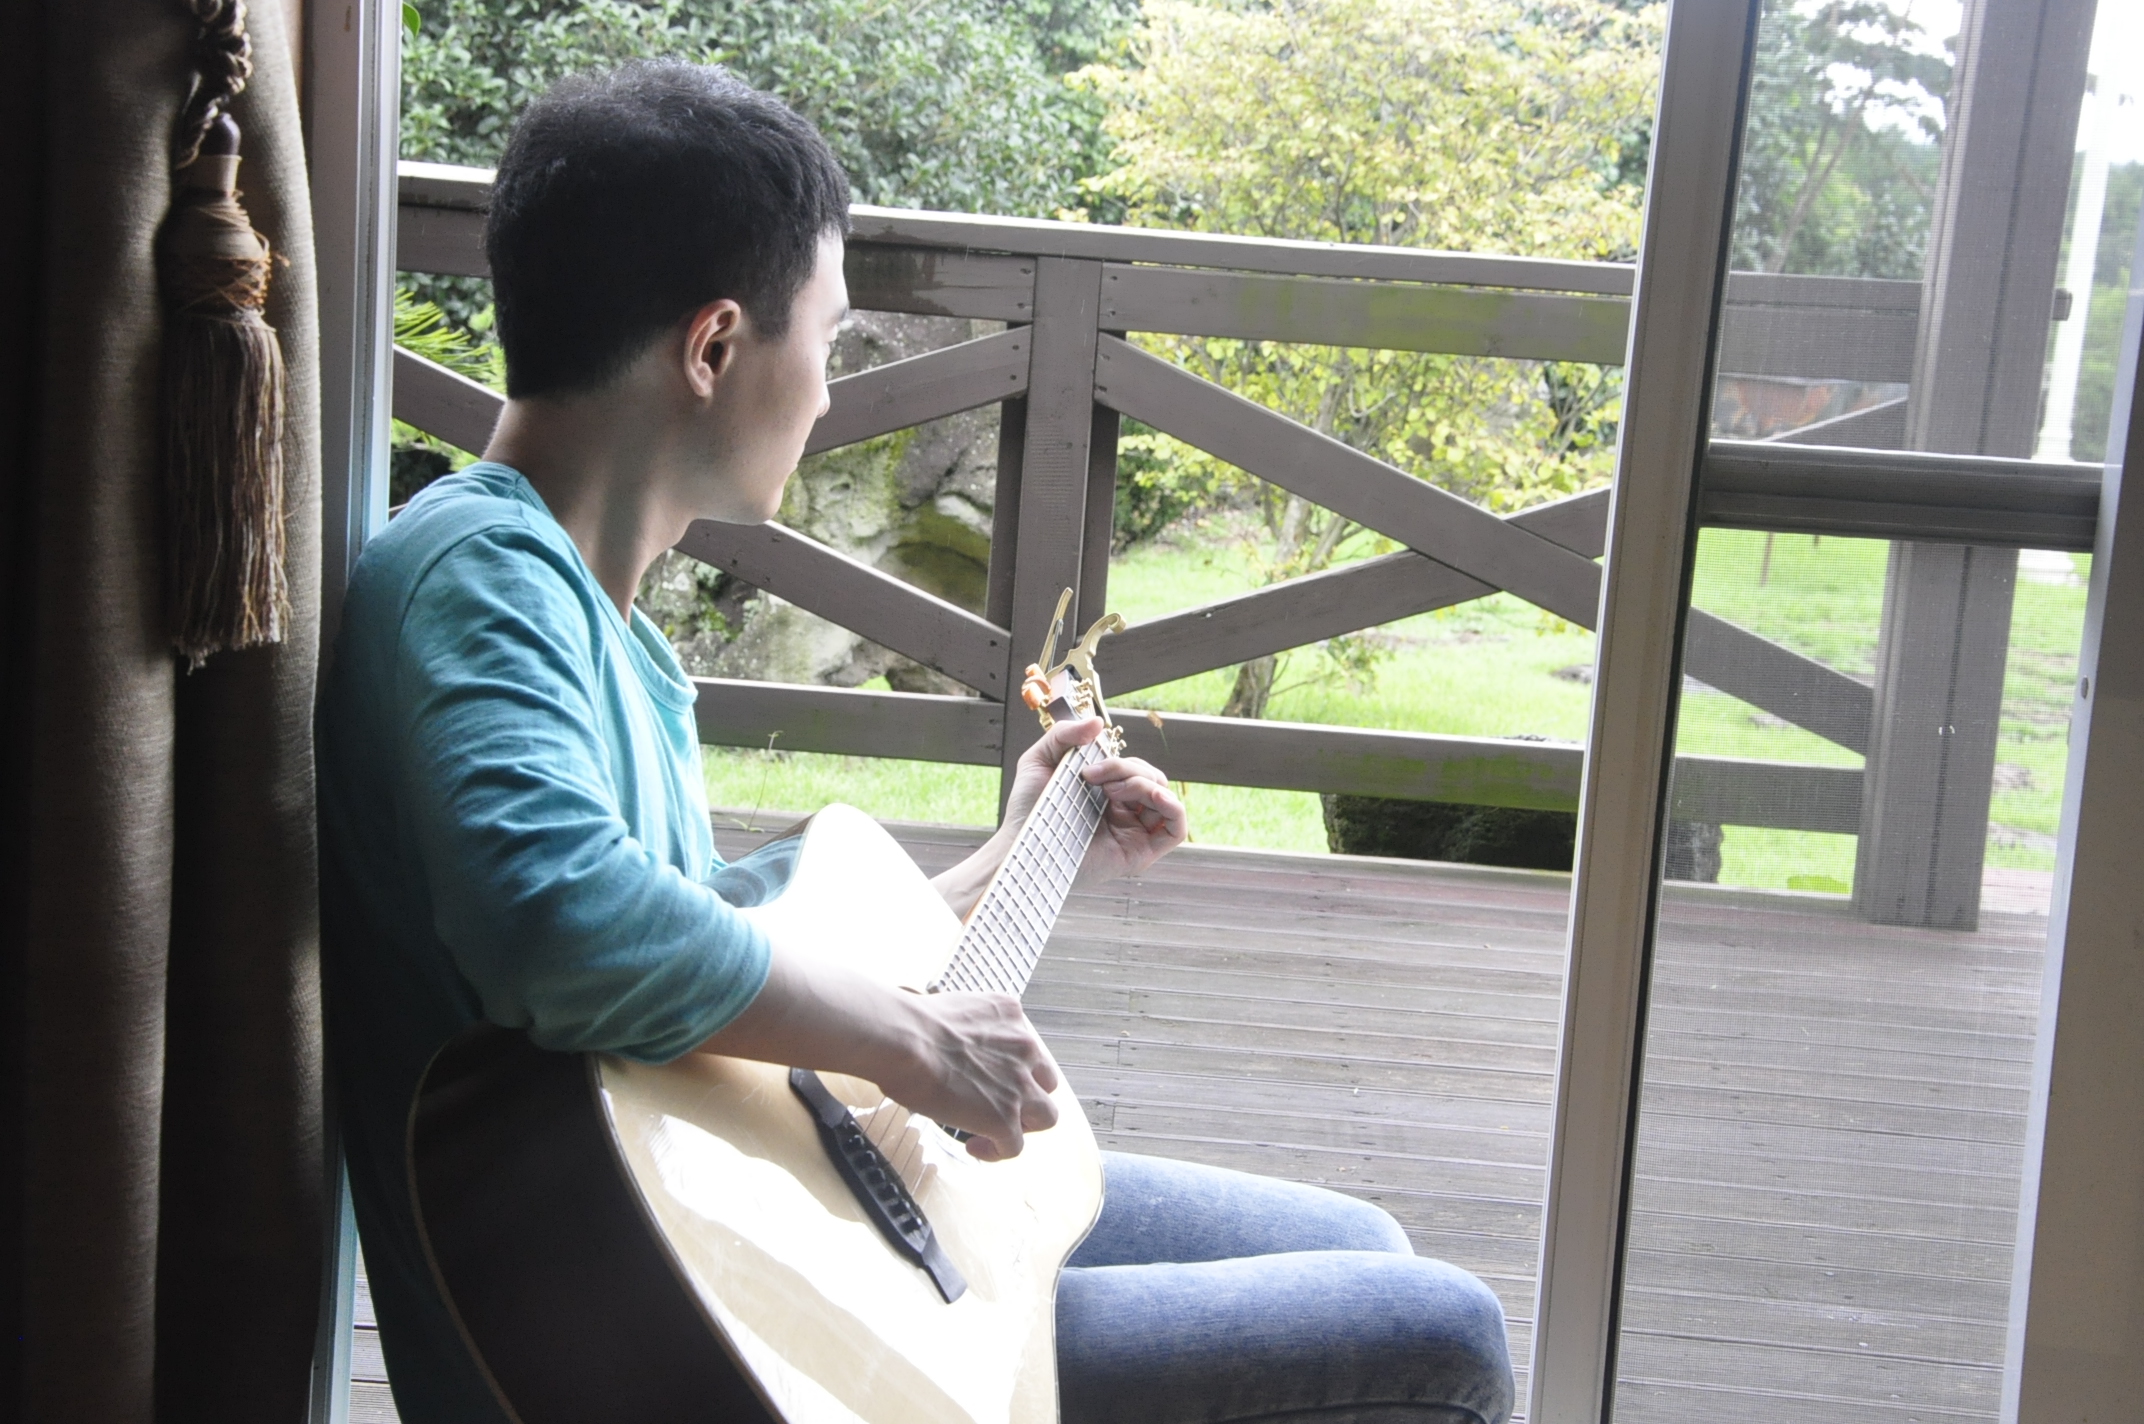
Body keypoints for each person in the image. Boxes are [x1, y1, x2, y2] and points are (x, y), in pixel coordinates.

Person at [318, 59, 1513, 1424]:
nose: (829, 395)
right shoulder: (478, 574)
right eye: (825, 340)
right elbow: (560, 925)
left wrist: (1014, 856)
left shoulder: (592, 622)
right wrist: (914, 1044)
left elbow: (699, 972)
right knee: (1443, 1341)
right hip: (680, 1325)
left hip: (760, 1225)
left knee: (1367, 1251)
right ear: (712, 350)